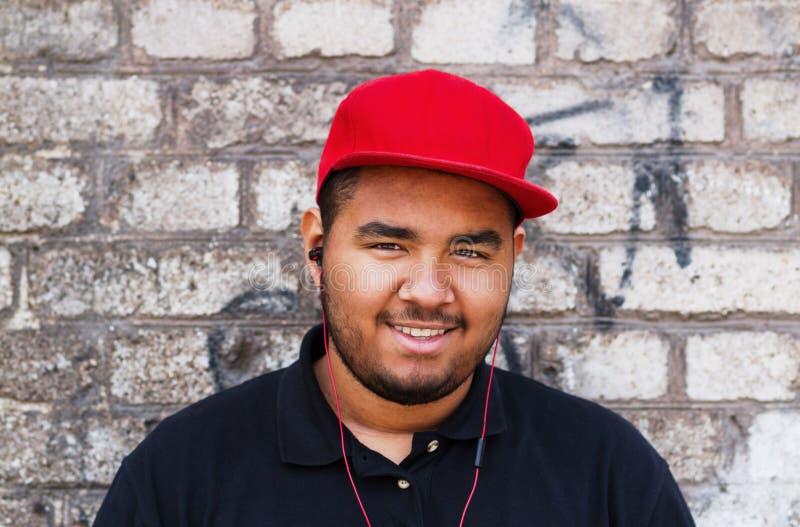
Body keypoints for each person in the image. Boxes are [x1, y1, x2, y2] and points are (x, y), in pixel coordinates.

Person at [94, 69, 696, 526]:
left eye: (469, 252)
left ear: (515, 255)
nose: (429, 292)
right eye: (387, 246)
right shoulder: (180, 476)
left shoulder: (606, 472)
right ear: (317, 248)